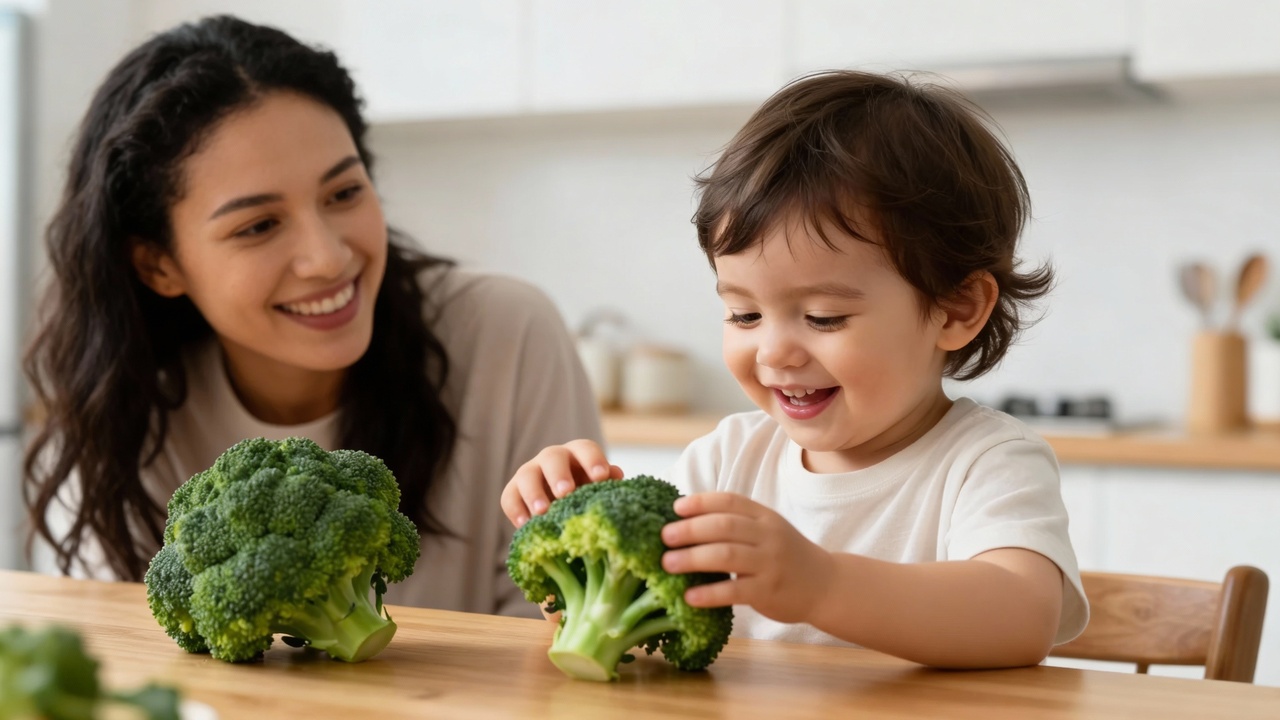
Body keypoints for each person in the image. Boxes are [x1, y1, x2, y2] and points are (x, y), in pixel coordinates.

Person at [501, 70, 1088, 667]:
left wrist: (822, 584)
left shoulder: (986, 461)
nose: (773, 353)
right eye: (744, 314)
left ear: (955, 309)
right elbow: (638, 620)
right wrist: (573, 545)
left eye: (824, 317)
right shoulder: (728, 458)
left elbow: (1022, 615)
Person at [23, 15, 602, 618]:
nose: (328, 258)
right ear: (158, 264)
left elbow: (565, 634)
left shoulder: (507, 332)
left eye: (344, 193)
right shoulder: (117, 417)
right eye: (259, 225)